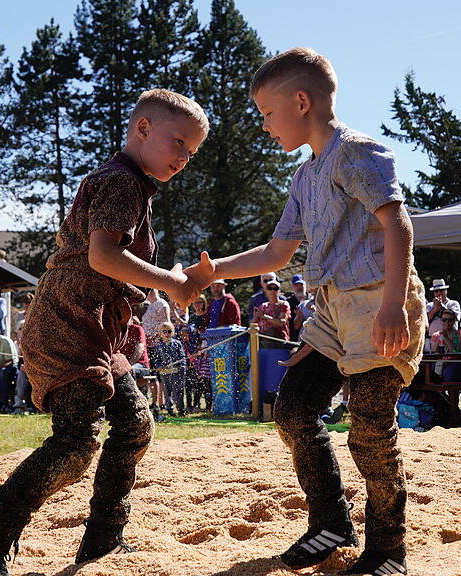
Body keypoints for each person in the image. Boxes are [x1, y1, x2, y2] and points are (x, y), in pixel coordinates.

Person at [0, 88, 210, 575]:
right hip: (69, 324)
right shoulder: (122, 183)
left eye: (192, 151)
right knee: (76, 442)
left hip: (96, 330)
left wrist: (167, 278)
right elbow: (102, 257)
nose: (184, 158)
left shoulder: (132, 186)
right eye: (179, 143)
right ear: (143, 129)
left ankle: (103, 541)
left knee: (134, 424)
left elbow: (114, 263)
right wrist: (170, 281)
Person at [184, 48, 426, 575]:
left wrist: (392, 307)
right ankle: (331, 522)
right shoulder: (303, 176)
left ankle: (389, 549)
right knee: (293, 410)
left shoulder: (356, 153)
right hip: (333, 311)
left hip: (378, 302)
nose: (265, 126)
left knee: (369, 431)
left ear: (301, 101)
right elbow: (276, 254)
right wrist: (213, 270)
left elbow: (398, 226)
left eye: (268, 114)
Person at [149, 322, 187, 416]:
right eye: (164, 331)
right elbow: (156, 359)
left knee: (178, 391)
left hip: (176, 371)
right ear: (160, 333)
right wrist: (158, 366)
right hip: (165, 372)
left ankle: (181, 409)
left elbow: (182, 357)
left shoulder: (177, 344)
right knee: (167, 391)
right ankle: (169, 409)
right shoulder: (158, 346)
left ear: (173, 332)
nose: (167, 333)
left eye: (169, 331)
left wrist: (182, 367)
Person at [253, 278, 291, 348]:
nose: (272, 291)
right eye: (270, 288)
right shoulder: (263, 306)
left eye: (275, 288)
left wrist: (264, 316)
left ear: (279, 291)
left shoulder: (284, 304)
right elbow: (253, 324)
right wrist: (256, 316)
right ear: (266, 291)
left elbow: (281, 322)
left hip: (279, 342)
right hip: (263, 343)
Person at [425, 278, 461, 351]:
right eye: (436, 291)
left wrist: (441, 306)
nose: (438, 293)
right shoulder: (429, 306)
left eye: (441, 290)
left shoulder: (453, 303)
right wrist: (435, 309)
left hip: (450, 337)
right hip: (433, 338)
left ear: (446, 291)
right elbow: (425, 321)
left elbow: (456, 317)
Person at [430, 310, 461, 384]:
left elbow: (455, 351)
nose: (447, 322)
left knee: (448, 377)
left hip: (453, 362)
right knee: (430, 375)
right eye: (444, 320)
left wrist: (446, 338)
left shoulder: (458, 334)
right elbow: (434, 351)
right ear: (441, 321)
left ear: (454, 321)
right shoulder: (435, 335)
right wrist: (440, 337)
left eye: (450, 320)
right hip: (439, 362)